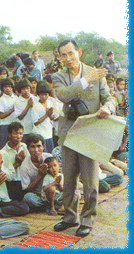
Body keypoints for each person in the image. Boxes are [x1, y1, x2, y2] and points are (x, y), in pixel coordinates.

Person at [52, 40, 116, 237]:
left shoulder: (96, 73)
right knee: (69, 179)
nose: (68, 59)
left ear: (78, 52)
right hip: (69, 133)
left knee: (90, 181)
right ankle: (69, 217)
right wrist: (86, 80)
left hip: (90, 132)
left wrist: (108, 107)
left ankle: (87, 219)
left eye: (71, 53)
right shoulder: (58, 76)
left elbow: (110, 98)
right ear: (59, 57)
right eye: (63, 55)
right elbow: (64, 95)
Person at [20, 134, 51, 210]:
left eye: (39, 146)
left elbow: (57, 175)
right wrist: (39, 175)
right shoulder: (24, 166)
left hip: (50, 192)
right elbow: (26, 190)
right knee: (28, 198)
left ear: (43, 146)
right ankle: (50, 204)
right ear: (28, 148)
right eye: (33, 147)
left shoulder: (49, 157)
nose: (36, 150)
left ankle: (48, 204)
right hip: (37, 195)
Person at [0, 122, 30, 200]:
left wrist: (23, 161)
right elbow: (4, 172)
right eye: (15, 134)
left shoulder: (24, 147)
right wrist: (17, 164)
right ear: (9, 134)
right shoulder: (4, 152)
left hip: (25, 181)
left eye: (20, 133)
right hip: (12, 184)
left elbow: (30, 164)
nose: (18, 136)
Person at [31, 82, 58, 153]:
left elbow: (52, 118)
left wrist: (50, 114)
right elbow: (36, 122)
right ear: (38, 95)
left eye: (45, 94)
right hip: (39, 134)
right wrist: (47, 115)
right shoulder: (36, 106)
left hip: (48, 133)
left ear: (48, 95)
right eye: (41, 94)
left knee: (50, 153)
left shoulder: (49, 103)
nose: (43, 97)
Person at [0, 78, 17, 149]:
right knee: (4, 146)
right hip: (5, 125)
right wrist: (12, 110)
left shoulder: (16, 98)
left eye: (9, 87)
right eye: (5, 87)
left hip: (14, 125)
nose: (7, 89)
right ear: (2, 88)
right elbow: (1, 116)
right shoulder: (2, 99)